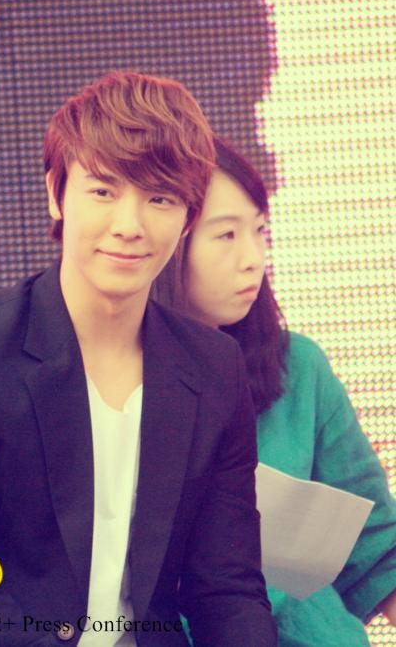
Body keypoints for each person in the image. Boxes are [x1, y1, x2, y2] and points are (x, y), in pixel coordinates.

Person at [0, 73, 277, 646]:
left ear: (188, 218)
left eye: (159, 199)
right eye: (104, 191)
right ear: (56, 192)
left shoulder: (214, 368)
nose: (129, 226)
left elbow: (227, 587)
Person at [155, 137, 396, 646]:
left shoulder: (297, 367)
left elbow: (378, 549)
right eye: (226, 235)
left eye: (260, 230)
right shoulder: (108, 384)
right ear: (166, 247)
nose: (253, 258)